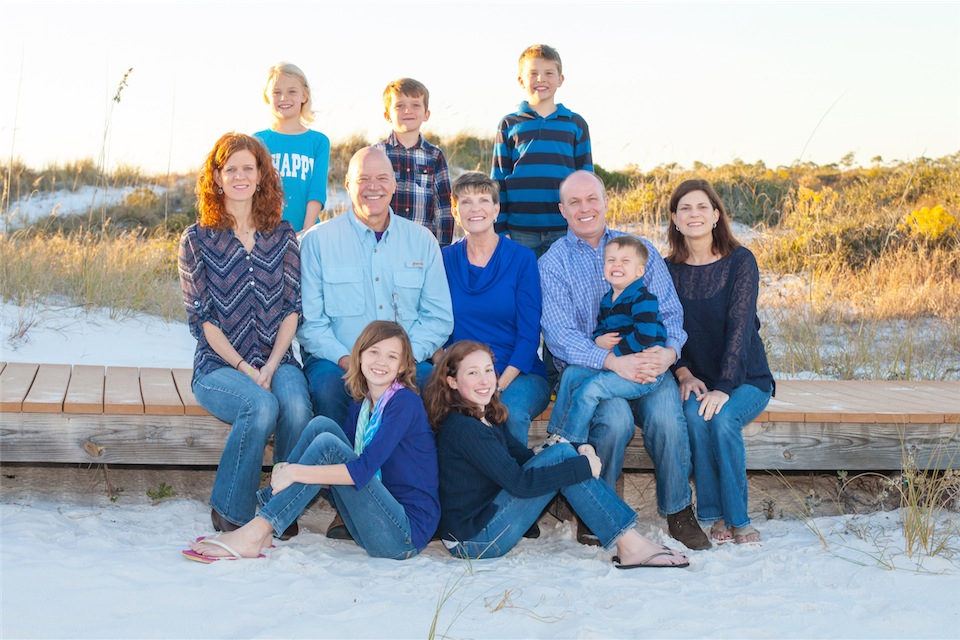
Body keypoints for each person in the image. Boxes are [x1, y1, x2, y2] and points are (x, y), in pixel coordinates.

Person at [539, 170, 711, 551]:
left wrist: (669, 352)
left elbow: (670, 315)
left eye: (592, 199)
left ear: (605, 201)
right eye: (574, 202)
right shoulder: (554, 263)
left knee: (668, 417)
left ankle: (678, 510)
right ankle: (596, 509)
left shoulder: (638, 249)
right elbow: (559, 336)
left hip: (650, 364)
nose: (585, 208)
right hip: (598, 369)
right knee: (614, 422)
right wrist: (611, 360)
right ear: (561, 210)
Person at [184, 321, 440, 562]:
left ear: (403, 366)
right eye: (374, 352)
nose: (381, 362)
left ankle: (257, 530)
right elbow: (338, 476)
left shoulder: (404, 403)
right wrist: (299, 473)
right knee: (321, 427)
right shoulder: (363, 404)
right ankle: (264, 525)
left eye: (392, 357)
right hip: (372, 522)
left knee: (328, 445)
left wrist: (297, 471)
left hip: (402, 535)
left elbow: (361, 470)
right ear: (359, 355)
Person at [423, 341, 689, 569]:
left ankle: (630, 541)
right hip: (474, 540)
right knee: (564, 458)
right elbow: (520, 483)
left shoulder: (484, 416)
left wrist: (576, 452)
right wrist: (581, 467)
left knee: (562, 451)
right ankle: (630, 544)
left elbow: (526, 458)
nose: (484, 381)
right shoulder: (464, 428)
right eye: (472, 373)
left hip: (485, 520)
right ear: (452, 382)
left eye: (489, 371)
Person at [178, 132, 312, 540]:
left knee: (295, 404)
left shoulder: (283, 235)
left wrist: (271, 364)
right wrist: (243, 367)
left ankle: (277, 505)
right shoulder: (196, 240)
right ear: (217, 178)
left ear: (261, 176)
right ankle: (230, 510)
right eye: (230, 168)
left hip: (278, 358)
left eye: (247, 168)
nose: (239, 176)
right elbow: (202, 321)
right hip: (219, 366)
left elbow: (292, 309)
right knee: (260, 405)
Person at [298, 146, 453, 428]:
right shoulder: (318, 241)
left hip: (406, 361)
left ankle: (415, 470)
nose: (373, 187)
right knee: (328, 389)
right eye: (363, 179)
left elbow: (439, 317)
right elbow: (311, 324)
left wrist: (400, 360)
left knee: (432, 386)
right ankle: (338, 466)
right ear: (347, 185)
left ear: (394, 184)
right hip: (337, 361)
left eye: (382, 178)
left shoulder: (422, 241)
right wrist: (349, 361)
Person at [666, 179, 774, 545]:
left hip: (745, 377)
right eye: (685, 208)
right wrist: (681, 373)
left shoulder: (740, 262)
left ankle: (739, 520)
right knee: (695, 419)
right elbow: (663, 330)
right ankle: (713, 516)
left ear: (715, 215)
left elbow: (740, 330)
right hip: (697, 378)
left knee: (722, 418)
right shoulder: (667, 270)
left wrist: (725, 388)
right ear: (675, 220)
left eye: (701, 207)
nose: (693, 214)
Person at [440, 171, 550, 446]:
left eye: (483, 200)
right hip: (462, 373)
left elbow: (529, 335)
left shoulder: (521, 258)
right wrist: (455, 377)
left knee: (506, 414)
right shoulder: (443, 259)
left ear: (496, 209)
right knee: (438, 409)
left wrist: (494, 387)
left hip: (517, 373)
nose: (475, 208)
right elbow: (434, 325)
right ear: (455, 211)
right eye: (465, 202)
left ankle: (515, 486)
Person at [544, 235, 667, 447]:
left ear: (639, 271)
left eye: (625, 261)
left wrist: (616, 353)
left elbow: (645, 336)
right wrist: (598, 340)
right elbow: (601, 327)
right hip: (619, 366)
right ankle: (557, 435)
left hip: (642, 372)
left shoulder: (643, 299)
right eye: (610, 260)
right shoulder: (607, 299)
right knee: (572, 374)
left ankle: (569, 443)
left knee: (590, 389)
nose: (616, 265)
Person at [492, 44, 592, 258]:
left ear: (560, 79)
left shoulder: (575, 124)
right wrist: (500, 229)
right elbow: (498, 179)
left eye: (548, 73)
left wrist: (584, 225)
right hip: (519, 229)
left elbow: (586, 179)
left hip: (564, 227)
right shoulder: (509, 124)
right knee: (524, 287)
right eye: (533, 74)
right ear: (521, 80)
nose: (541, 79)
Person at [374, 78, 454, 247]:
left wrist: (442, 248)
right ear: (387, 115)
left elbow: (444, 208)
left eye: (415, 105)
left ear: (426, 114)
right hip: (382, 244)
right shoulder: (377, 154)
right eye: (399, 105)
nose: (408, 110)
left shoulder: (435, 156)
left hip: (422, 246)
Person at [254, 62, 330, 235]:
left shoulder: (319, 142)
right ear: (267, 97)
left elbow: (316, 191)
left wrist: (307, 231)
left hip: (306, 233)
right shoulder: (257, 141)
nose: (283, 98)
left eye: (292, 91)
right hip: (265, 234)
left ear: (304, 95)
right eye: (276, 92)